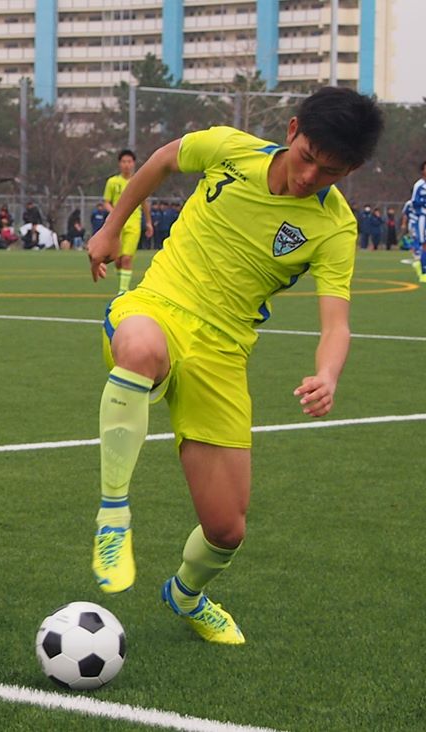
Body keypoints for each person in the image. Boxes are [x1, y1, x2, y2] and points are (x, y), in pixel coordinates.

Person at [86, 86, 382, 644]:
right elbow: (165, 159)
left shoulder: (336, 227)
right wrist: (110, 227)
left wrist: (329, 374)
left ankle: (186, 595)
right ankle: (113, 518)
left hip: (223, 355)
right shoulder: (230, 148)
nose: (308, 178)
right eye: (307, 159)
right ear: (292, 131)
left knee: (226, 529)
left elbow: (336, 323)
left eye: (330, 173)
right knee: (141, 350)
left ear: (353, 169)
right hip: (159, 307)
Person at [103, 150, 153, 294]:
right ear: (120, 164)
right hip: (117, 226)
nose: (126, 165)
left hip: (133, 224)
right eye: (124, 162)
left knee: (126, 259)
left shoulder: (138, 181)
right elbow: (106, 202)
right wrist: (115, 215)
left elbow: (144, 203)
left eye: (129, 162)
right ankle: (122, 284)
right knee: (118, 260)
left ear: (134, 164)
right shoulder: (112, 182)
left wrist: (148, 222)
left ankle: (122, 292)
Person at [407, 160, 426, 282]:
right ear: (422, 171)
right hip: (423, 218)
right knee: (424, 245)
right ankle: (424, 272)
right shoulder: (419, 185)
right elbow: (414, 202)